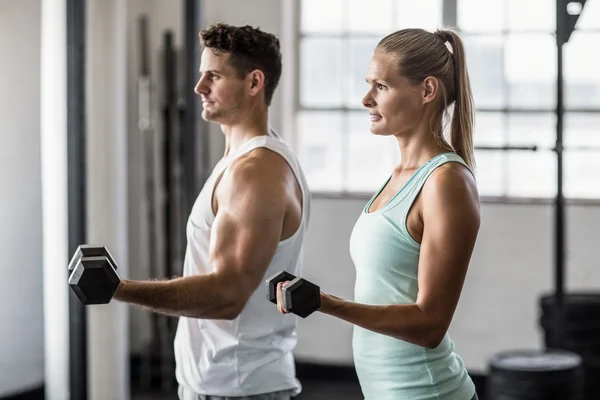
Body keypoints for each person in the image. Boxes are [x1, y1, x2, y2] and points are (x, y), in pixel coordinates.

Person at [277, 28, 480, 400]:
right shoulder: (398, 178)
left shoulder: (445, 182)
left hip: (426, 393)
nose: (365, 98)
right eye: (368, 84)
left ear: (427, 90)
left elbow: (430, 325)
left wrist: (326, 303)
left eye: (381, 87)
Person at [113, 23, 311, 400]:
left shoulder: (256, 172)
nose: (199, 87)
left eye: (214, 76)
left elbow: (226, 294)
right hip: (221, 383)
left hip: (237, 388)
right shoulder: (242, 160)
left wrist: (119, 290)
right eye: (202, 74)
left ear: (254, 83)